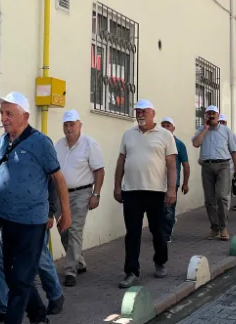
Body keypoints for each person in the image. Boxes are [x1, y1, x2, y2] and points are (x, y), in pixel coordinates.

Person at [0, 92, 71, 324]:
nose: (3, 118)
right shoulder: (3, 140)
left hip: (33, 222)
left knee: (21, 278)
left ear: (25, 115)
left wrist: (62, 213)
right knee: (13, 277)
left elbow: (58, 179)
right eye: (2, 113)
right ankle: (40, 319)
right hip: (6, 220)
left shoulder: (40, 142)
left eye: (9, 113)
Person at [115, 99, 177, 288]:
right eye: (138, 111)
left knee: (158, 231)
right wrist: (117, 186)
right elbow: (121, 162)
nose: (140, 114)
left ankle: (160, 261)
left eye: (144, 111)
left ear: (153, 113)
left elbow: (171, 165)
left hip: (155, 191)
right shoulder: (128, 135)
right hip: (131, 191)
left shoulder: (165, 135)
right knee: (132, 233)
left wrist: (172, 189)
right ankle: (131, 271)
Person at [53, 110, 105, 287]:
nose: (69, 128)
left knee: (74, 229)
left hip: (81, 193)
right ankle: (79, 261)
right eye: (66, 125)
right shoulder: (58, 145)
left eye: (72, 124)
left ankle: (70, 271)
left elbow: (99, 171)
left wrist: (95, 194)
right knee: (63, 229)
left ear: (79, 125)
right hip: (60, 194)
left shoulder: (90, 144)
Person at [191, 105, 236, 240]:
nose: (211, 116)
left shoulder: (226, 131)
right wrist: (205, 129)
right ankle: (214, 228)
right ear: (205, 116)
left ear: (218, 116)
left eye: (214, 114)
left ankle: (223, 227)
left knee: (222, 197)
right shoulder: (201, 130)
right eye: (208, 114)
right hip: (207, 166)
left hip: (223, 166)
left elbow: (235, 151)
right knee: (209, 199)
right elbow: (196, 144)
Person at [160, 117, 190, 242]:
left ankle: (166, 234)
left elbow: (186, 164)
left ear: (173, 128)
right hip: (157, 181)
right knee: (159, 208)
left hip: (172, 182)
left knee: (168, 208)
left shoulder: (179, 144)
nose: (166, 128)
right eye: (164, 126)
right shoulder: (157, 142)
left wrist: (185, 183)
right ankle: (166, 225)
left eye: (168, 125)